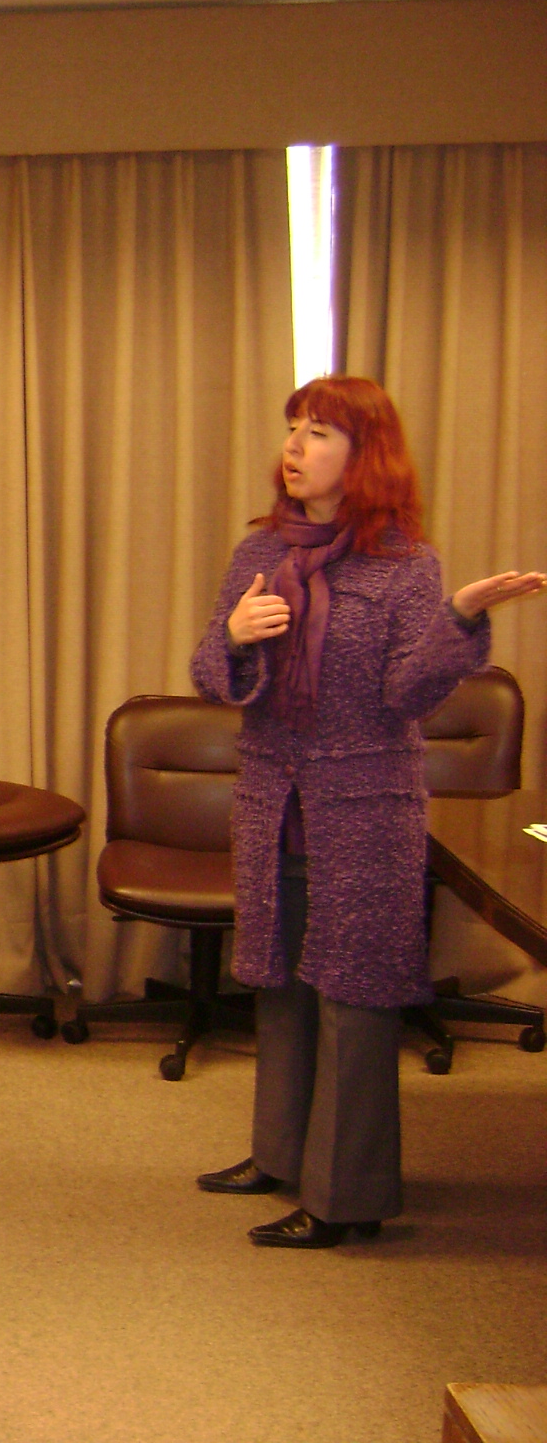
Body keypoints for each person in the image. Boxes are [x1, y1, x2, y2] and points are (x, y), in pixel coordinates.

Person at [190, 376, 545, 1249]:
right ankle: (277, 1155)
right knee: (277, 980)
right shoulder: (258, 554)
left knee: (353, 998)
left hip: (366, 805)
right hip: (273, 799)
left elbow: (406, 694)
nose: (296, 446)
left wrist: (460, 618)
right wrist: (233, 639)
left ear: (364, 454)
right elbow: (210, 677)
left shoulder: (406, 567)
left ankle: (345, 1199)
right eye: (293, 429)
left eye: (317, 432)